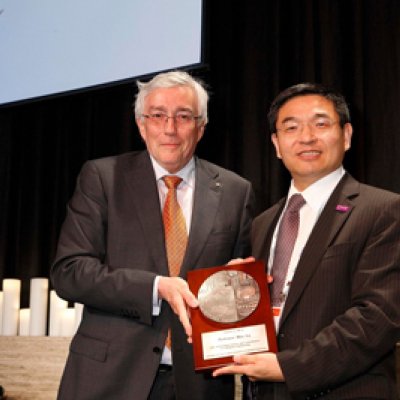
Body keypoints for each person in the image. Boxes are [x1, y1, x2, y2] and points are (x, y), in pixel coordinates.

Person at [50, 70, 255, 400]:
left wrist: (242, 285)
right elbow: (69, 273)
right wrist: (156, 287)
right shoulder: (102, 178)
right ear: (141, 124)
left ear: (201, 127)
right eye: (158, 115)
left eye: (183, 116)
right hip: (109, 378)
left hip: (200, 384)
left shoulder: (235, 190)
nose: (170, 128)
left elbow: (239, 287)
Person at [213, 83, 400, 399]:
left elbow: (377, 317)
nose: (307, 137)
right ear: (276, 143)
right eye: (291, 127)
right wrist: (233, 291)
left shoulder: (384, 209)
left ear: (347, 135)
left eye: (321, 123)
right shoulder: (262, 224)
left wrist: (288, 367)